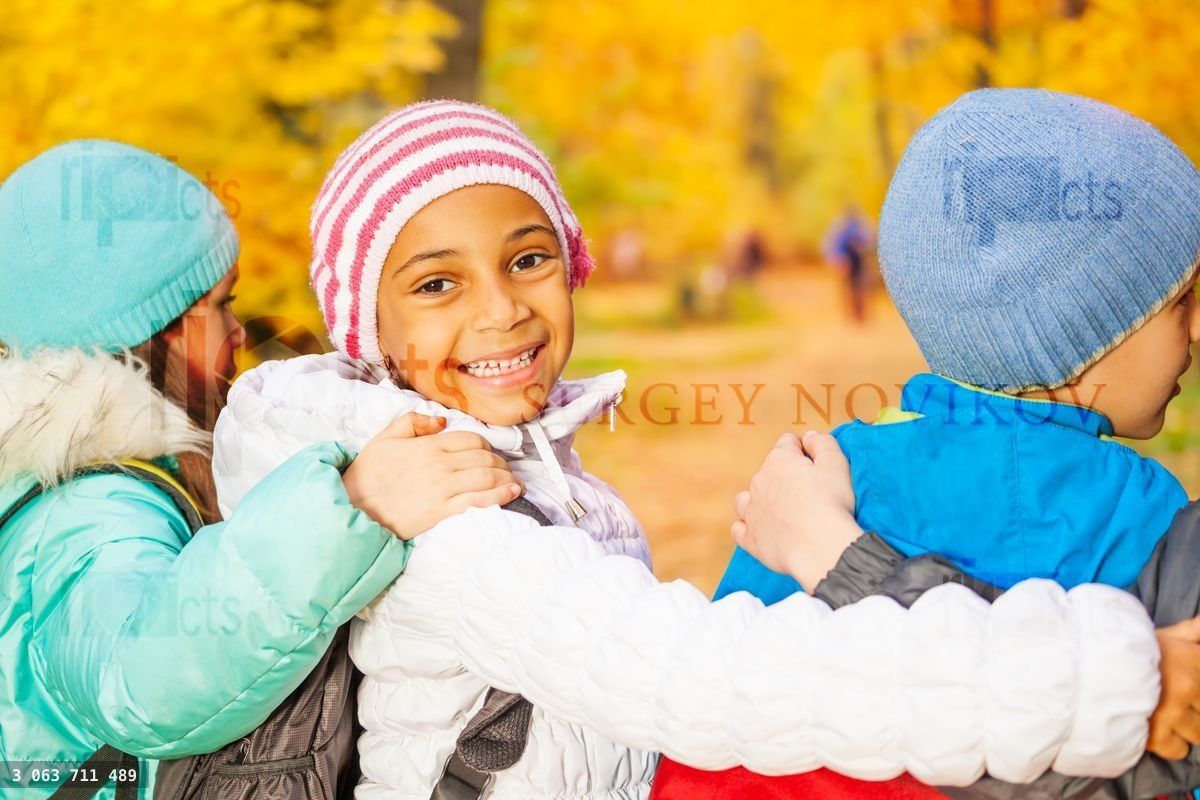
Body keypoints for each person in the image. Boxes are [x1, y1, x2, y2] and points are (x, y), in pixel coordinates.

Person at [212, 100, 1183, 800]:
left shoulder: (502, 454)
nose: (502, 306)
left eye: (528, 257)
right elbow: (697, 674)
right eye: (435, 284)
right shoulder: (445, 502)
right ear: (364, 326)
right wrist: (1124, 678)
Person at [663, 88, 1200, 798]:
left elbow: (718, 715)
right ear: (1084, 333)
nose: (1196, 330)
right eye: (1180, 303)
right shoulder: (1146, 509)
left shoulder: (826, 481)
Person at [0, 140, 516, 799]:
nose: (240, 332)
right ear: (149, 329)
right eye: (222, 303)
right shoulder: (88, 515)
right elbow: (140, 685)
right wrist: (352, 509)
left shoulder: (98, 477)